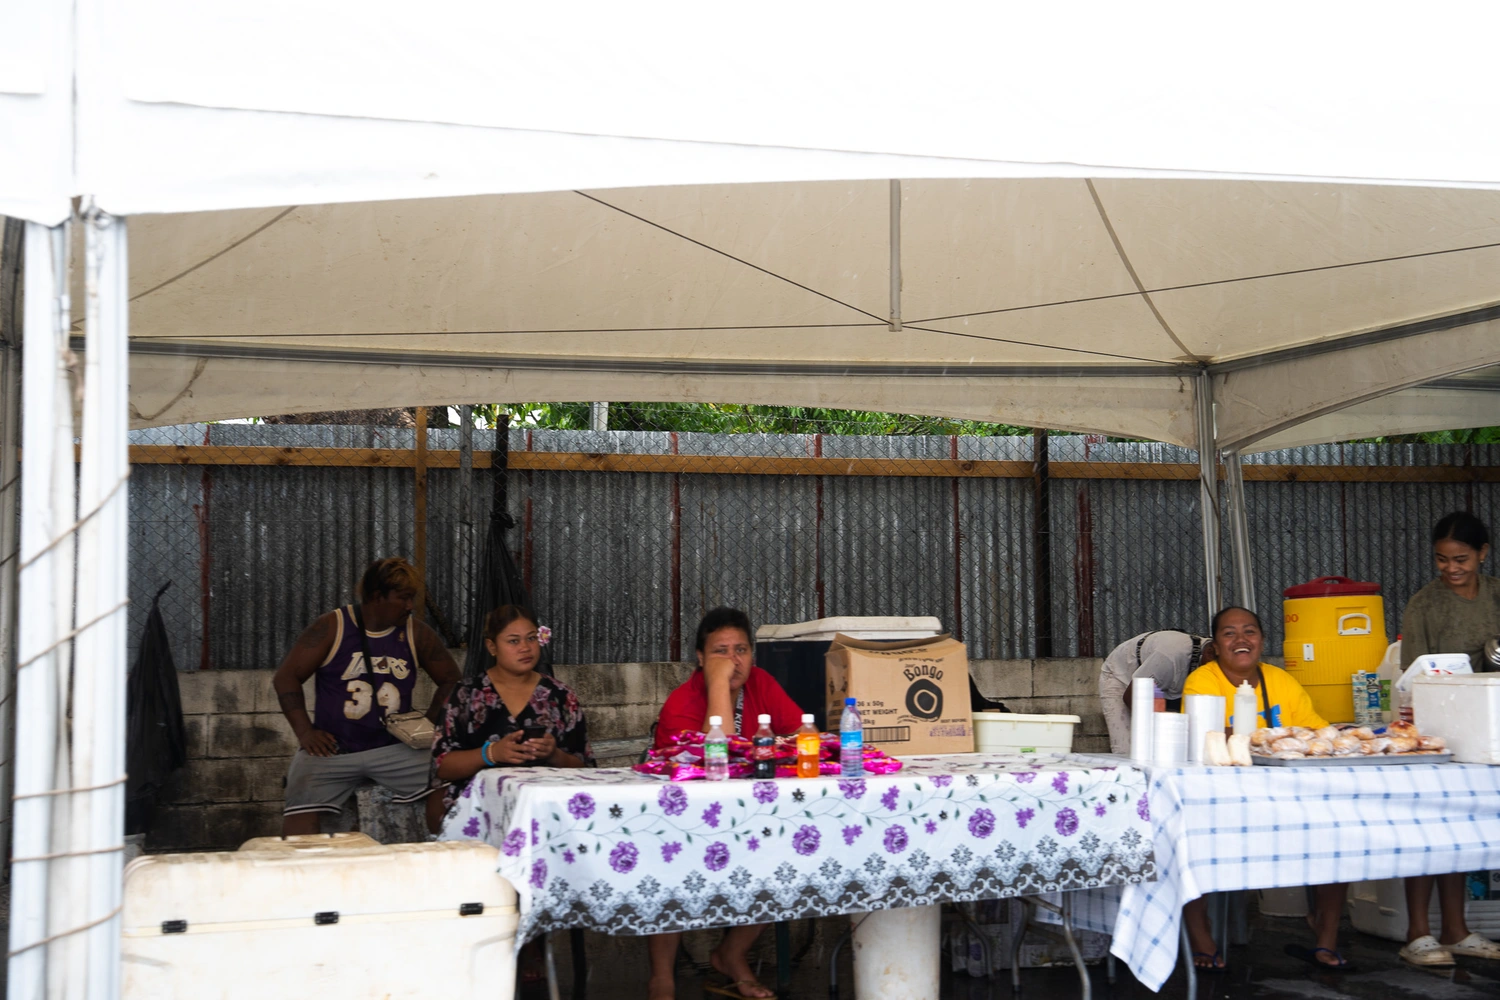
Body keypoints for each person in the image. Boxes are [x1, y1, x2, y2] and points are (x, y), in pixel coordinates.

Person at [1179, 607, 1350, 971]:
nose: (1241, 640)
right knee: (1189, 841)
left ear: (1262, 639)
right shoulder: (1202, 682)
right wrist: (1272, 738)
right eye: (1229, 633)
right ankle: (1201, 932)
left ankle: (1326, 937)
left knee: (1337, 834)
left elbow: (1313, 732)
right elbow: (1202, 734)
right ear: (1216, 644)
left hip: (1282, 797)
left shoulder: (1281, 681)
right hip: (1220, 798)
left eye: (1250, 631)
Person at [648, 607, 799, 1000]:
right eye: (720, 652)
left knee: (789, 853)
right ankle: (661, 976)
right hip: (686, 820)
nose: (734, 661)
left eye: (742, 650)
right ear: (699, 658)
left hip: (749, 817)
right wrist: (718, 685)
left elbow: (803, 731)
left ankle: (732, 953)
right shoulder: (684, 699)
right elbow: (715, 762)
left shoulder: (761, 683)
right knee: (669, 861)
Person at [272, 557, 460, 835]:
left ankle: (443, 854)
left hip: (395, 749)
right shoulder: (332, 627)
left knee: (447, 777)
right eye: (403, 598)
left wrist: (428, 726)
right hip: (335, 749)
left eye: (412, 598)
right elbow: (286, 677)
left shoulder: (416, 633)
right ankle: (299, 871)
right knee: (300, 798)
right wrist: (305, 732)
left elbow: (451, 680)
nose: (410, 606)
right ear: (376, 597)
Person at [1394, 511, 1500, 966]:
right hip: (1437, 731)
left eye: (1461, 559)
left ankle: (1456, 929)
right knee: (1426, 828)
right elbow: (1414, 676)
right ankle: (1418, 932)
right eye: (1442, 560)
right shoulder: (1424, 604)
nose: (1452, 568)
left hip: (1489, 732)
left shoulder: (1498, 594)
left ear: (1483, 554)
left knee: (1459, 830)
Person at [430, 604, 592, 832]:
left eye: (531, 638)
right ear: (492, 647)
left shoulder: (561, 696)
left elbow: (586, 770)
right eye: (513, 641)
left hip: (546, 814)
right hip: (478, 812)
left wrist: (554, 755)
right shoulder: (466, 695)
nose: (525, 648)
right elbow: (442, 766)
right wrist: (491, 753)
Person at [1098, 630, 1213, 754]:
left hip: (1164, 683)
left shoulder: (1216, 661)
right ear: (1209, 653)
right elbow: (1131, 696)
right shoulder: (1170, 656)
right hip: (1121, 677)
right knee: (1127, 749)